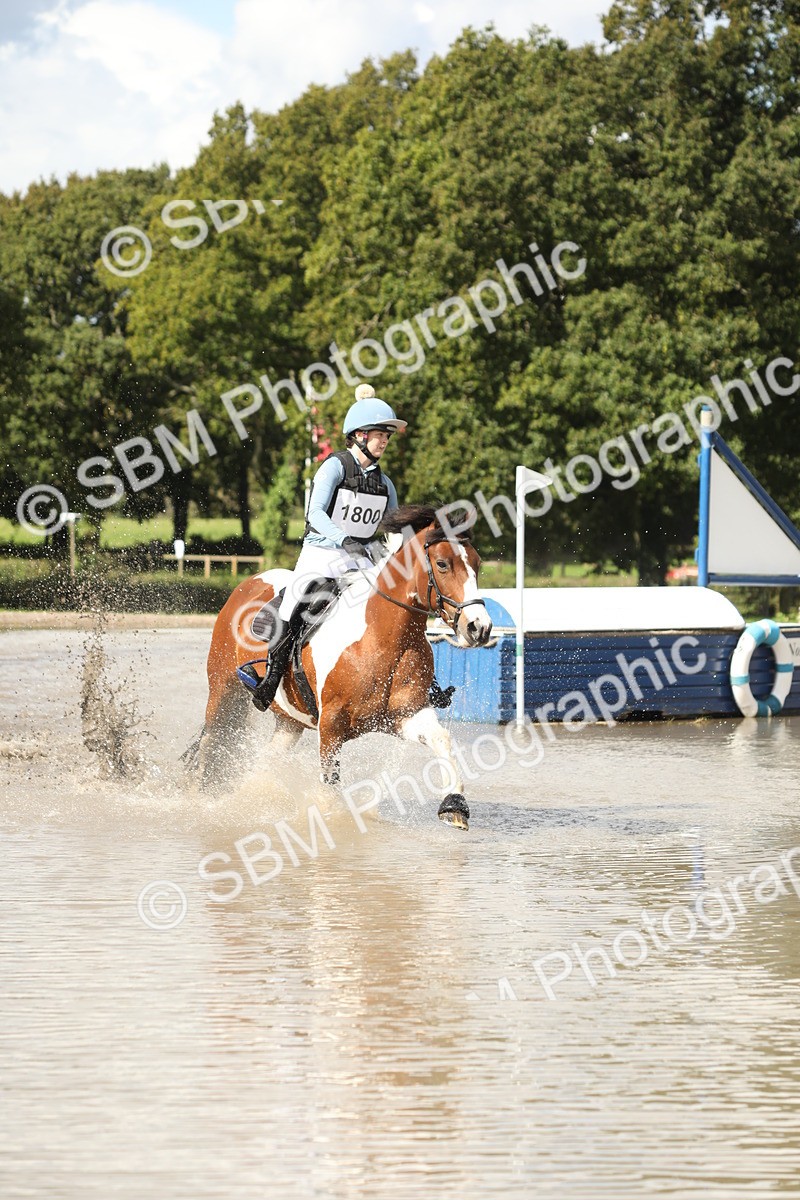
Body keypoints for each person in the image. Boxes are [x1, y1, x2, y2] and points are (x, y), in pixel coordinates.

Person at [240, 383, 407, 709]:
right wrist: (343, 539)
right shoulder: (334, 466)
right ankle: (271, 680)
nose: (385, 440)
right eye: (379, 434)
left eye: (388, 436)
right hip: (323, 551)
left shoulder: (385, 483)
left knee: (399, 598)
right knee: (296, 600)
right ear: (359, 435)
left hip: (364, 556)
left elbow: (393, 525)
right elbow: (314, 512)